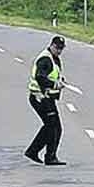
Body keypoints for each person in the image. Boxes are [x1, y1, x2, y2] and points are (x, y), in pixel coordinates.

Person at [25, 36, 67, 165]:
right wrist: (54, 85)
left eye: (61, 49)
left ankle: (36, 152)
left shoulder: (53, 58)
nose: (59, 51)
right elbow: (40, 77)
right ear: (52, 45)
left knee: (52, 126)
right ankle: (47, 156)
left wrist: (60, 81)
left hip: (46, 97)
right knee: (54, 127)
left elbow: (52, 75)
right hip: (41, 98)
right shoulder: (45, 59)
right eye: (57, 48)